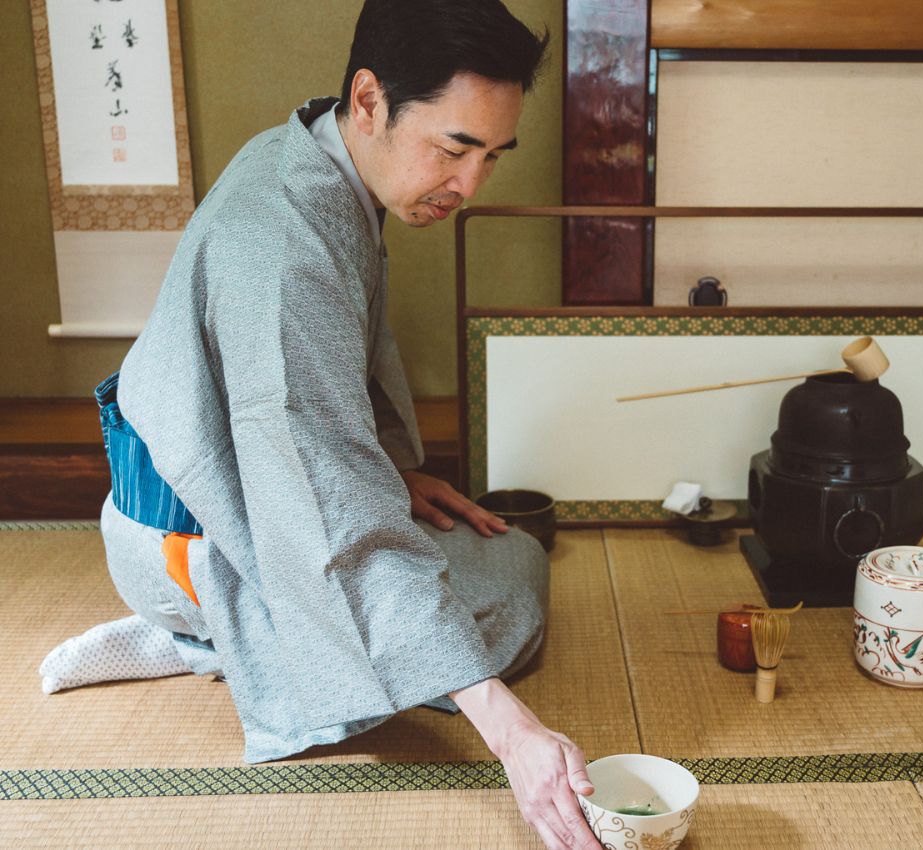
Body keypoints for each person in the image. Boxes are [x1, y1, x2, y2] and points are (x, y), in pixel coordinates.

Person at [38, 2, 603, 847]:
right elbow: (321, 501)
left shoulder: (315, 154)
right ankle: (211, 637)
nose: (471, 183)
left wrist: (394, 476)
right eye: (453, 147)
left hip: (234, 494)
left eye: (491, 155)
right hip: (193, 537)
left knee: (504, 558)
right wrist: (508, 730)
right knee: (505, 608)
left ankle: (238, 633)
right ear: (369, 99)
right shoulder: (283, 246)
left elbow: (309, 416)